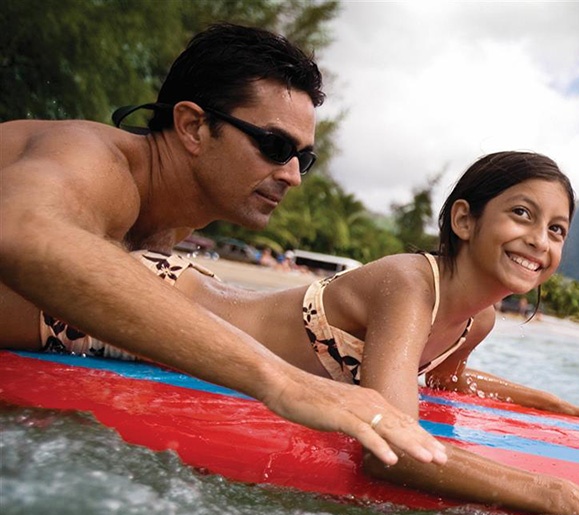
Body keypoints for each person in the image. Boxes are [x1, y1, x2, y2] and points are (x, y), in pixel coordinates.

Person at [6, 151, 579, 515]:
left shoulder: (475, 320)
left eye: (558, 229)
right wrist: (557, 493)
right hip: (138, 307)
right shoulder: (409, 282)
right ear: (463, 218)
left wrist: (542, 402)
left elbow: (441, 381)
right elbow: (388, 449)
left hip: (192, 301)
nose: (540, 240)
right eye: (522, 214)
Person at [0, 23, 446, 468]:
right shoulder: (88, 158)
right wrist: (281, 381)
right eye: (275, 145)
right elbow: (23, 231)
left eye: (303, 158)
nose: (292, 175)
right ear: (193, 126)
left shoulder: (164, 224)